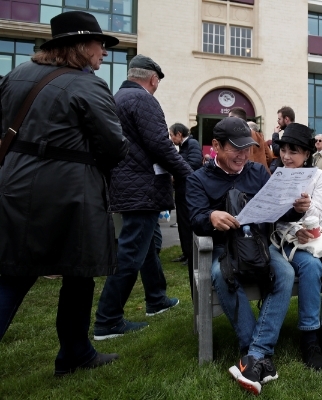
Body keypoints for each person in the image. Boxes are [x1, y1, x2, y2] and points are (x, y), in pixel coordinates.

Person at [0, 11, 128, 376]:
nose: (103, 51)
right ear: (80, 46)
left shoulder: (15, 75)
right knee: (76, 270)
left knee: (16, 273)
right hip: (70, 192)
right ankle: (75, 353)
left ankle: (77, 352)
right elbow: (115, 146)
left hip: (15, 185)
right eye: (99, 44)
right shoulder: (88, 85)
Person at [187, 117, 310, 395]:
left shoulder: (258, 172)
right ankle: (257, 353)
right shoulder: (198, 179)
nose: (243, 155)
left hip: (258, 245)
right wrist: (211, 216)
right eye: (236, 149)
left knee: (286, 273)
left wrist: (298, 209)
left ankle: (254, 353)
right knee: (221, 275)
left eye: (247, 148)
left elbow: (279, 212)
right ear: (216, 145)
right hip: (223, 248)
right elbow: (194, 219)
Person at [93, 55, 193, 340]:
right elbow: (160, 145)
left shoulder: (117, 98)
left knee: (146, 245)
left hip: (126, 184)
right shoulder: (144, 100)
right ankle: (108, 319)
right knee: (131, 251)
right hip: (143, 188)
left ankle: (156, 298)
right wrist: (189, 174)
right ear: (153, 79)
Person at [273, 123, 322, 370]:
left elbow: (320, 212)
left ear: (306, 154)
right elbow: (272, 217)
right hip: (288, 240)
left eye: (293, 151)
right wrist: (296, 227)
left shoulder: (318, 176)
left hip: (316, 237)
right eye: (284, 149)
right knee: (311, 268)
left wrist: (305, 210)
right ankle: (309, 337)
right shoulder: (276, 174)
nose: (286, 156)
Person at [169, 123, 203, 296]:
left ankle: (190, 253)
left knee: (187, 224)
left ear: (179, 133)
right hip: (182, 191)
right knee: (182, 224)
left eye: (171, 135)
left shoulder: (192, 144)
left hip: (187, 190)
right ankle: (186, 253)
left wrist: (177, 173)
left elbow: (194, 164)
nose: (170, 138)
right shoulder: (184, 146)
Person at [271, 106, 295, 173]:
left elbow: (277, 150)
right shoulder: (292, 131)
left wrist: (275, 134)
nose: (278, 122)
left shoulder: (289, 132)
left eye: (279, 119)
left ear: (286, 119)